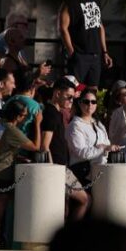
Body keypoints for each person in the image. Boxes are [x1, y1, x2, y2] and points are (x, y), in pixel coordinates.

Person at [0, 99, 43, 249]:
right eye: (23, 115)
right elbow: (36, 146)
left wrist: (16, 156)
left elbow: (2, 149)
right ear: (16, 116)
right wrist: (37, 123)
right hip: (2, 175)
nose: (24, 118)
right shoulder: (12, 130)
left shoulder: (0, 125)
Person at [41, 78, 90, 221]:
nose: (71, 101)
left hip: (60, 167)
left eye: (73, 98)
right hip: (57, 168)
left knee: (65, 207)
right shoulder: (50, 113)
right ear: (57, 93)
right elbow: (44, 146)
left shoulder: (56, 113)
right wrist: (52, 171)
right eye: (68, 97)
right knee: (84, 200)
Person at [59, 0, 113, 87]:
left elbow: (100, 26)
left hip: (96, 54)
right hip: (79, 54)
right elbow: (63, 28)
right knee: (75, 90)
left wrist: (105, 52)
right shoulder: (71, 1)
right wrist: (71, 52)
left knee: (93, 90)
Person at [67, 87, 120, 186]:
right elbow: (81, 152)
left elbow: (106, 144)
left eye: (93, 102)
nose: (90, 104)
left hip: (100, 172)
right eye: (86, 101)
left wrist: (109, 148)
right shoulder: (75, 125)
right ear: (80, 103)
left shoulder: (98, 124)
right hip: (83, 173)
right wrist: (103, 148)